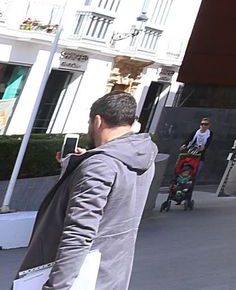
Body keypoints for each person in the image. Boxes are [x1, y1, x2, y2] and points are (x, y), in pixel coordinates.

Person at [18, 91, 157, 290]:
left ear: (98, 121)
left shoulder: (99, 166)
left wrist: (56, 286)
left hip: (77, 280)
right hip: (112, 275)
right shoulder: (142, 158)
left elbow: (78, 234)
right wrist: (81, 163)